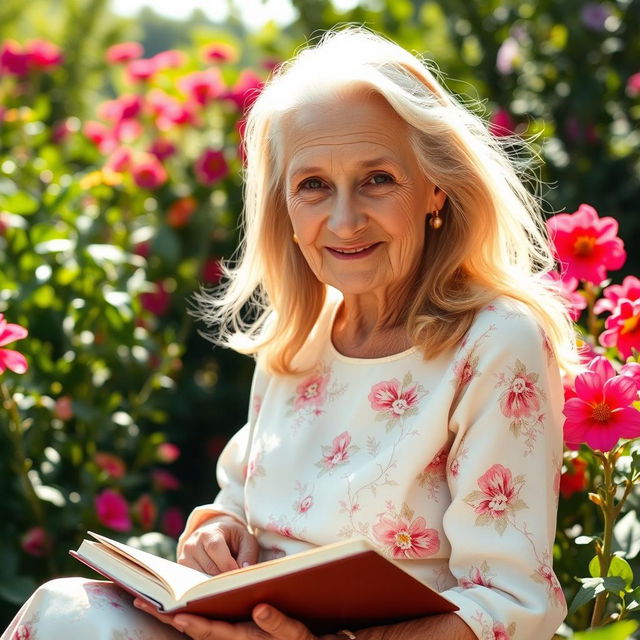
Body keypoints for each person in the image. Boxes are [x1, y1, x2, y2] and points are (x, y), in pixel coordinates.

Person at [3, 27, 577, 640]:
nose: (345, 219)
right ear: (284, 205)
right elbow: (238, 508)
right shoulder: (300, 338)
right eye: (313, 186)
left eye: (378, 178)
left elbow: (511, 607)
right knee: (66, 610)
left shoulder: (495, 343)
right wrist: (217, 537)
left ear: (436, 184)